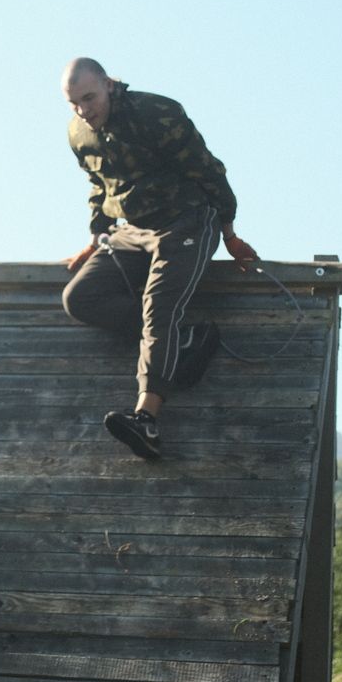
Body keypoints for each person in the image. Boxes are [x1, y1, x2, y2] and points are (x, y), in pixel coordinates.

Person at [58, 57, 259, 458]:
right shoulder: (79, 134)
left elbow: (209, 170)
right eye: (73, 103)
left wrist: (230, 232)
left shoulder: (158, 113)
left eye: (89, 98)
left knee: (159, 307)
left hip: (186, 221)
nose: (84, 109)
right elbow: (99, 184)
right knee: (79, 297)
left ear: (109, 85)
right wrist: (97, 234)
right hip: (132, 231)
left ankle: (146, 419)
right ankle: (183, 341)